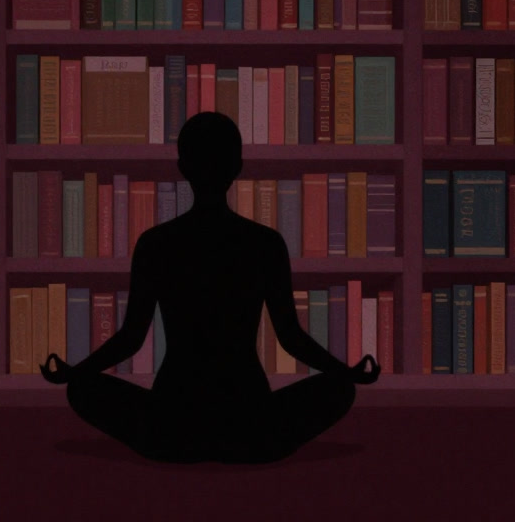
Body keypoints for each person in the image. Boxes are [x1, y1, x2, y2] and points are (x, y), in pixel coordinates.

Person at [40, 111, 380, 464]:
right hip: (249, 419)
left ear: (183, 167)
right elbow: (290, 337)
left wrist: (76, 372)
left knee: (83, 390)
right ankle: (246, 445)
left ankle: (180, 444)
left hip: (173, 420)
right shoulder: (265, 244)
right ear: (238, 167)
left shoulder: (156, 243)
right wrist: (345, 371)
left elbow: (131, 337)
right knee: (338, 389)